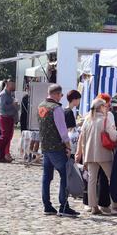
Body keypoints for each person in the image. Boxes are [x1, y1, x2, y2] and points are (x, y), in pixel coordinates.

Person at [75, 98, 117, 215]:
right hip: (104, 153)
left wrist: (84, 156)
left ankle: (93, 206)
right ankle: (115, 205)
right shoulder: (105, 120)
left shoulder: (87, 120)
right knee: (112, 179)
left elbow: (83, 141)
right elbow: (113, 136)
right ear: (101, 107)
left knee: (92, 180)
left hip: (90, 154)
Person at [38, 84, 79, 217]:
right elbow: (63, 131)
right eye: (61, 95)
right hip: (56, 147)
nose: (61, 98)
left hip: (45, 146)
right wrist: (68, 146)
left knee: (46, 177)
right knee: (65, 175)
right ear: (56, 94)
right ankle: (64, 205)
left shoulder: (41, 106)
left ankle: (47, 206)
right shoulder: (56, 109)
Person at [0, 80, 18, 163]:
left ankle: (1, 156)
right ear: (8, 84)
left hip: (9, 118)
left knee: (7, 138)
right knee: (4, 137)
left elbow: (13, 107)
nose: (14, 86)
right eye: (13, 84)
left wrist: (16, 106)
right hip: (4, 118)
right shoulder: (3, 94)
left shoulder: (10, 94)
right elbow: (2, 107)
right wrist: (12, 105)